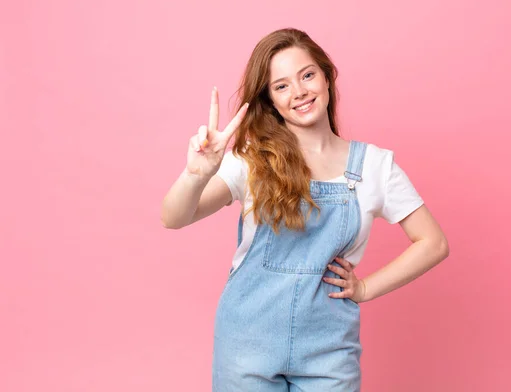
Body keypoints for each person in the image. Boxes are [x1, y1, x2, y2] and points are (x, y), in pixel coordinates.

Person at [161, 28, 449, 392]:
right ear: (271, 100)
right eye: (281, 86)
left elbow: (433, 242)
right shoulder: (252, 161)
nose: (298, 92)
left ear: (327, 77)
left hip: (328, 350)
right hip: (247, 343)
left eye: (307, 75)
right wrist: (194, 174)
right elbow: (174, 218)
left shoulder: (375, 166)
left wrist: (365, 289)